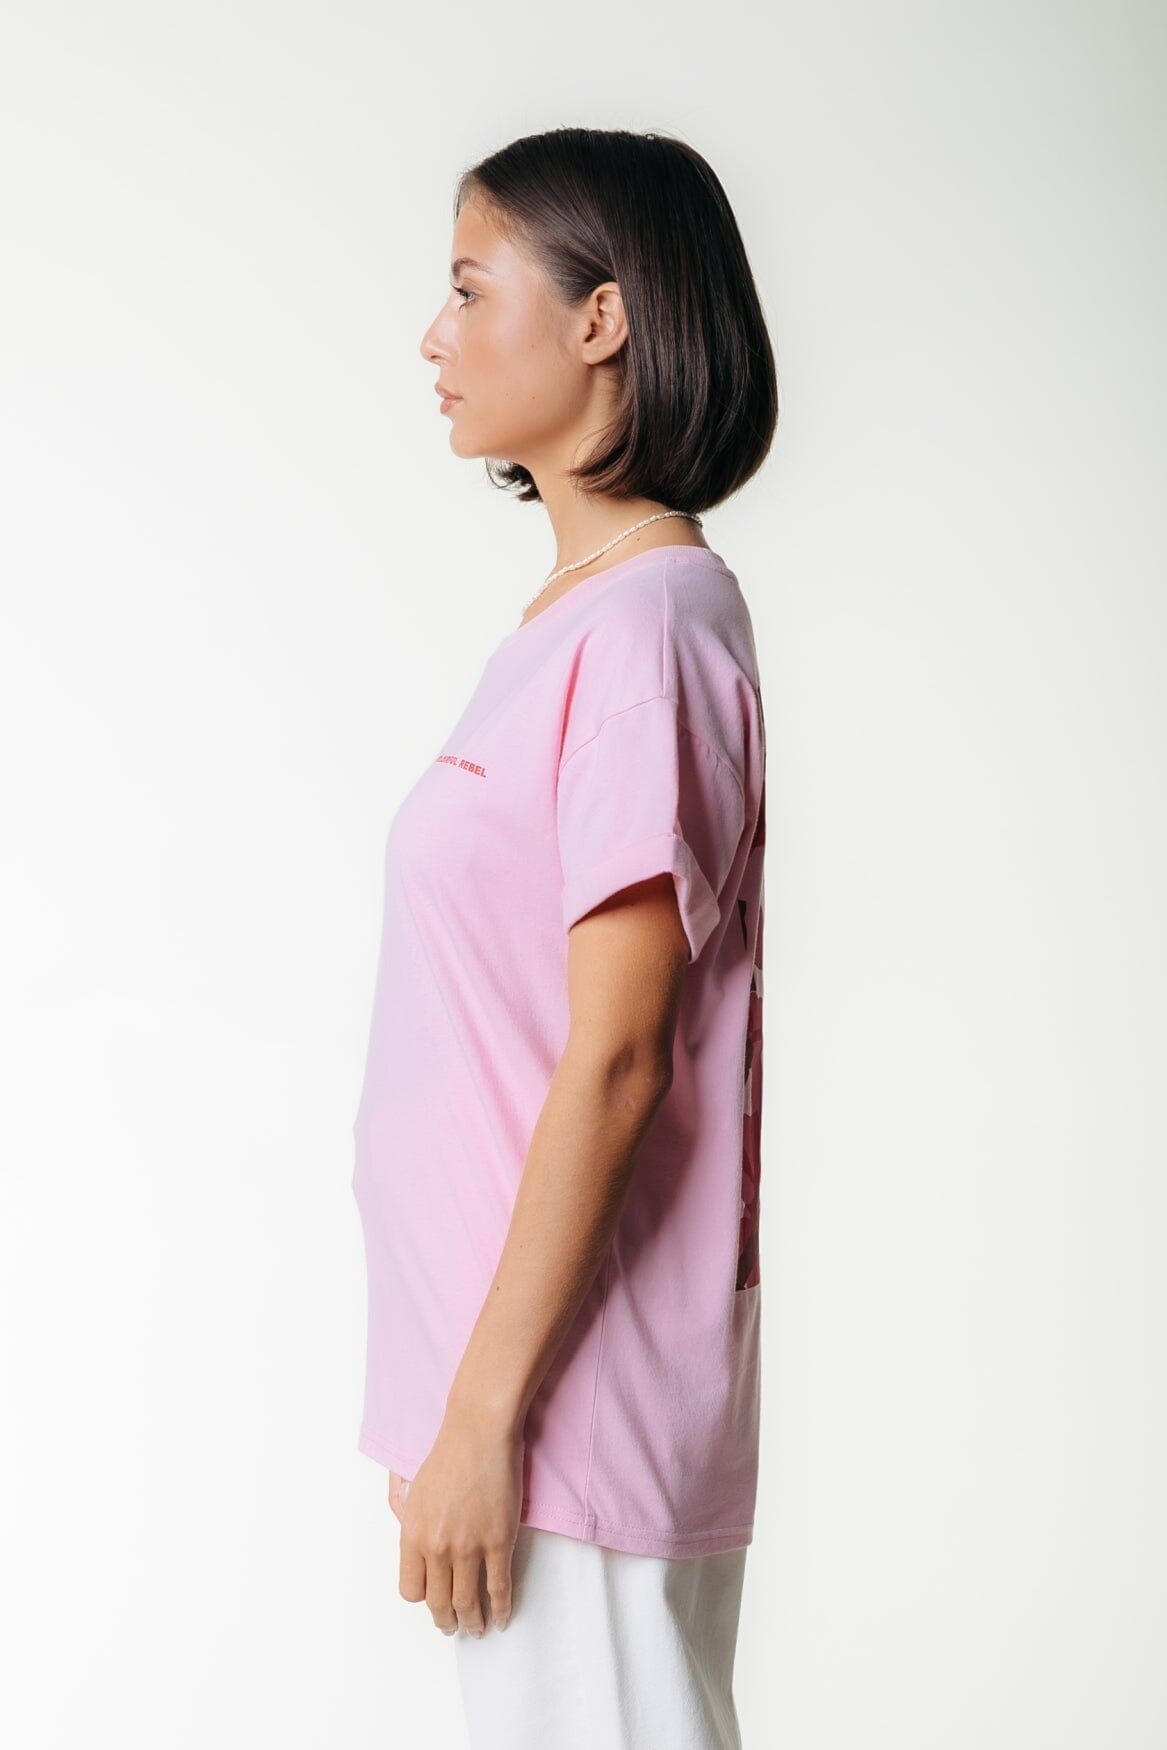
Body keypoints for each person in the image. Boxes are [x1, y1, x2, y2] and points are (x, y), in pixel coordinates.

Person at [351, 125, 778, 1748]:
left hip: (562, 1411)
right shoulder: (583, 620)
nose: (435, 335)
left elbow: (618, 1054)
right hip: (528, 1401)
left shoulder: (649, 627)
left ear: (602, 318)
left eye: (471, 289)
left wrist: (487, 1412)